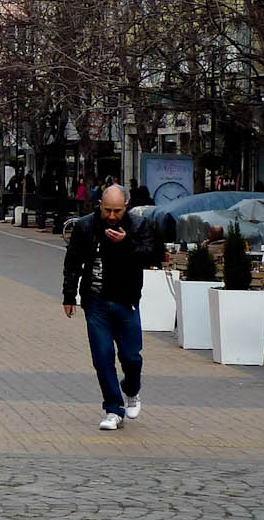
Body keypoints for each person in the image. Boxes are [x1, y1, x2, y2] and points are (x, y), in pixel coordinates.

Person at [62, 184, 162, 432]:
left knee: (131, 356)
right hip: (95, 301)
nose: (111, 216)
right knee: (102, 356)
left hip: (125, 300)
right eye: (107, 210)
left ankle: (131, 388)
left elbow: (152, 256)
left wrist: (126, 242)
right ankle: (113, 409)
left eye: (117, 211)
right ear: (100, 205)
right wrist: (69, 295)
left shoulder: (138, 226)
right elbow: (73, 260)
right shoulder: (85, 226)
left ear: (126, 207)